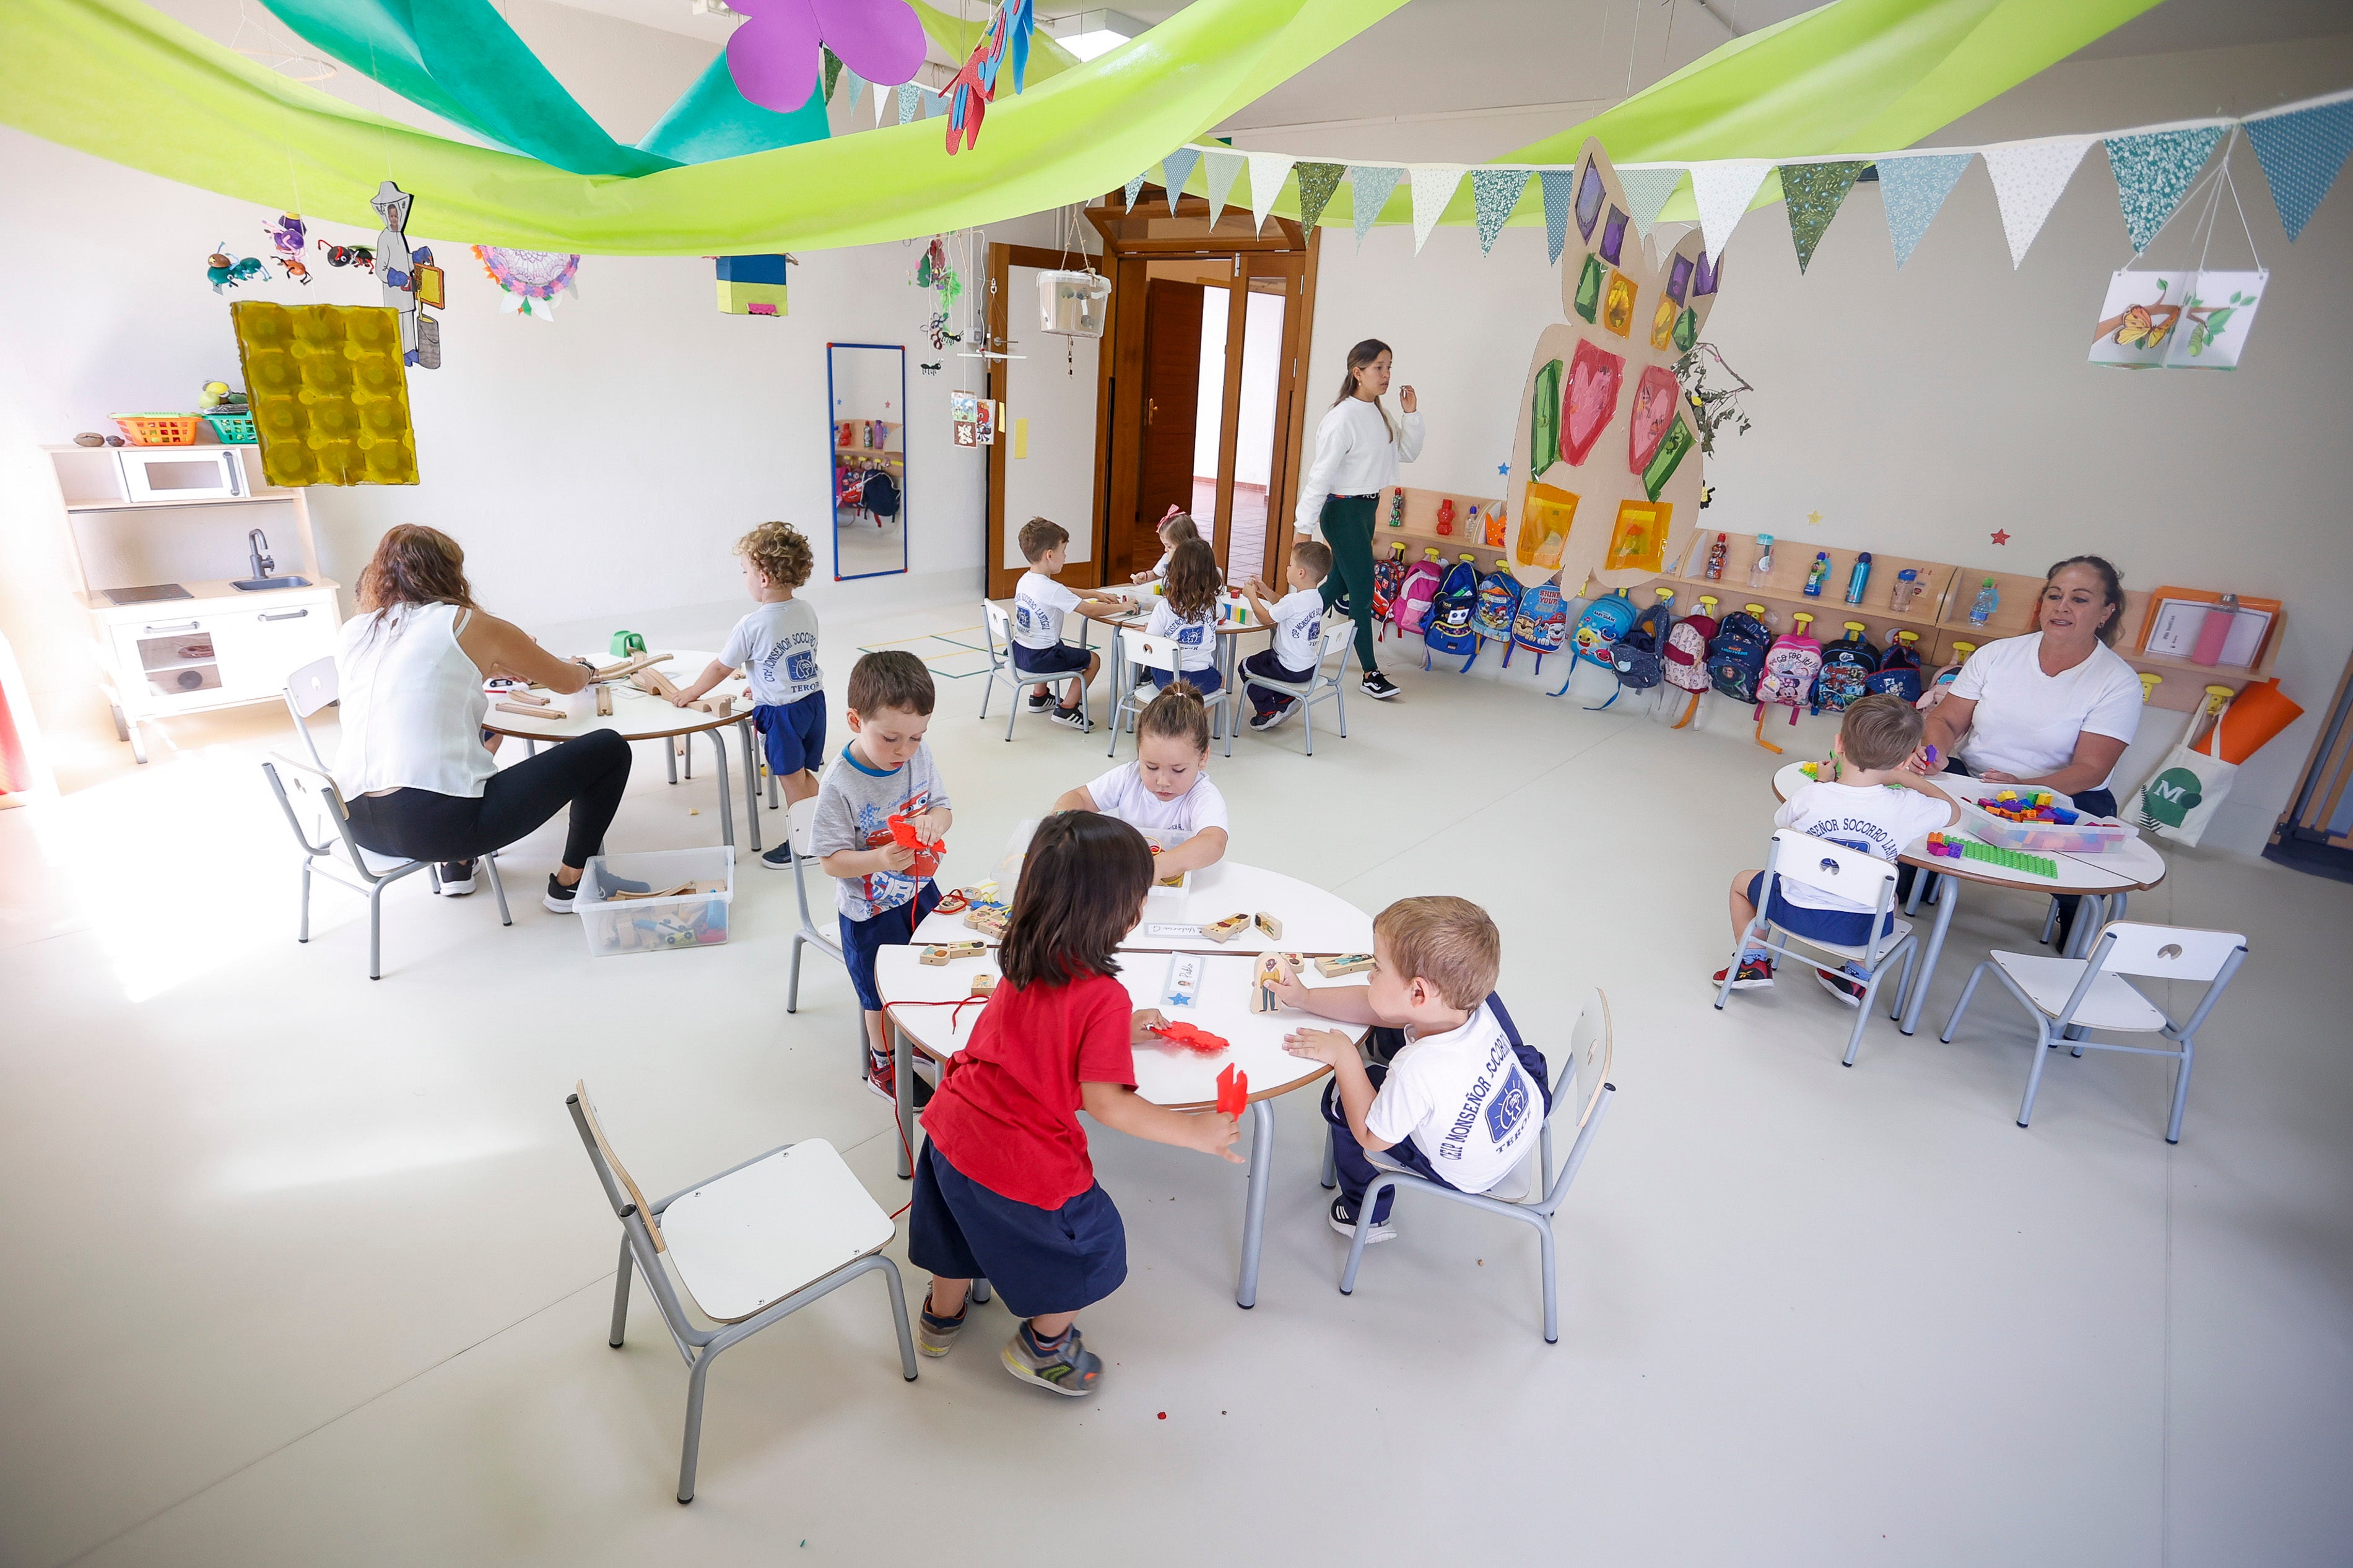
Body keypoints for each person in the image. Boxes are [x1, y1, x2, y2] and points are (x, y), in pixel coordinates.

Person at [909, 810, 1243, 1394]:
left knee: (954, 1226)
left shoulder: (1022, 953)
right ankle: (1042, 1347)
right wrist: (1198, 1134)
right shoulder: (1104, 996)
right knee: (1093, 1246)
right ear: (1124, 910)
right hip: (1023, 1160)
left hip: (948, 1129)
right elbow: (1108, 1104)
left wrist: (1115, 1033)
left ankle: (942, 1317)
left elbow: (1037, 1033)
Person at [333, 524, 632, 916]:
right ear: (450, 571)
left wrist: (481, 670)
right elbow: (566, 683)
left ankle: (456, 868)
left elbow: (411, 689)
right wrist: (586, 668)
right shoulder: (467, 622)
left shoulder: (356, 630)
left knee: (452, 734)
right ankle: (569, 885)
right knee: (607, 747)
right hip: (435, 828)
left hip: (356, 825)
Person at [1274, 896, 1549, 1244]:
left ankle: (1366, 1214)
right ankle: (1390, 1045)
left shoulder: (1416, 1070)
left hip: (1468, 1172)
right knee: (1400, 1016)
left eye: (1378, 966)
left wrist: (1345, 1057)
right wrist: (1306, 998)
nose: (1371, 973)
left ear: (1418, 992)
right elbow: (1383, 1005)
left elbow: (1372, 1137)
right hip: (1530, 1107)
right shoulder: (1470, 1003)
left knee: (1342, 1098)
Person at [1907, 555, 2144, 947]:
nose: (2062, 607)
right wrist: (1935, 754)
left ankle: (2076, 927)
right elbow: (1946, 722)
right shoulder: (1997, 655)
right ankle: (1909, 890)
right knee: (1905, 812)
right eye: (2055, 595)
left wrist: (2025, 786)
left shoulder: (2118, 682)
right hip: (1976, 777)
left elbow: (2091, 767)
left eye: (2080, 599)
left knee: (2087, 877)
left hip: (2066, 794)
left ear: (2106, 611)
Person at [1720, 695, 1962, 1003]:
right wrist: (1905, 778)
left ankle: (1751, 961)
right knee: (1893, 895)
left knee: (1742, 883)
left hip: (1792, 911)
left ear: (1839, 744)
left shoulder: (1810, 796)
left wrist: (1821, 785)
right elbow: (1952, 812)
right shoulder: (1908, 807)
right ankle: (1857, 976)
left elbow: (1783, 822)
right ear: (1904, 760)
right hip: (1861, 931)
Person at [811, 651, 953, 1101]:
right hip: (869, 911)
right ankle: (884, 1063)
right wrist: (879, 861)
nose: (905, 751)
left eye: (916, 737)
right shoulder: (839, 785)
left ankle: (920, 1040)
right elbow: (832, 861)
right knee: (878, 995)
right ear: (855, 721)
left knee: (930, 970)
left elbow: (943, 807)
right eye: (891, 738)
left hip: (921, 892)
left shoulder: (918, 754)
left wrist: (935, 821)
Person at [671, 521, 823, 870]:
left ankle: (807, 844)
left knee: (789, 779)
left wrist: (691, 692)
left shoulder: (752, 624)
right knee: (802, 775)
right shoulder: (806, 610)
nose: (745, 578)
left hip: (782, 714)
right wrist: (766, 681)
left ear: (764, 578)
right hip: (813, 703)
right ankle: (824, 828)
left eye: (745, 572)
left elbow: (722, 668)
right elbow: (794, 656)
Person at [1295, 339, 1423, 703]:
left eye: (1389, 367)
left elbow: (1408, 453)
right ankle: (1370, 672)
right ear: (1358, 372)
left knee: (1337, 584)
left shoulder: (1379, 413)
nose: (1386, 375)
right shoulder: (1341, 418)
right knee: (1363, 591)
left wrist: (1411, 415)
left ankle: (1287, 626)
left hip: (1367, 510)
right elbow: (1319, 477)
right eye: (1379, 368)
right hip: (1342, 511)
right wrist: (1303, 528)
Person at [1051, 682, 1229, 880]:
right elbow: (1079, 798)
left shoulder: (1203, 796)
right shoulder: (1129, 777)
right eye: (1151, 767)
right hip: (1127, 883)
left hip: (1178, 891)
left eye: (1178, 770)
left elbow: (1214, 842)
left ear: (1203, 758)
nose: (1163, 781)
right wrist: (1059, 825)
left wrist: (1158, 866)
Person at [1012, 517, 1127, 730]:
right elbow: (1089, 611)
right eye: (1063, 551)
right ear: (1049, 555)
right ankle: (1067, 708)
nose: (1065, 557)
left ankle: (1039, 696)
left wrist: (1094, 593)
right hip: (1040, 659)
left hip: (1019, 652)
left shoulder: (1026, 580)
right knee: (1093, 660)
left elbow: (1063, 591)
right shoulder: (1051, 589)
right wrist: (1123, 608)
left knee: (1054, 642)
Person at [1236, 539, 1332, 730]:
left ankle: (1267, 712)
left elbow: (1266, 618)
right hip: (1308, 668)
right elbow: (1283, 603)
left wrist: (1252, 596)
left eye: (1290, 565)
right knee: (1262, 663)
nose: (1287, 568)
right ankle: (1285, 698)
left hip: (1287, 667)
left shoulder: (1293, 602)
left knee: (1246, 667)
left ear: (1301, 573)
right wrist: (1263, 589)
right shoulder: (1315, 598)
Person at [1141, 538, 1223, 695]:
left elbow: (1149, 644)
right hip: (1202, 676)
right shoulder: (1215, 605)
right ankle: (1196, 717)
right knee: (1220, 681)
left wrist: (1148, 631)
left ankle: (1183, 715)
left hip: (1168, 678)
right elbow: (1220, 617)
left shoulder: (1164, 607)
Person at [1129, 509, 1201, 586]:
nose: (1165, 550)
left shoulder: (1197, 561)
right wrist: (1146, 576)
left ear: (1185, 543)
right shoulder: (1166, 559)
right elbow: (1156, 575)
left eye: (1169, 546)